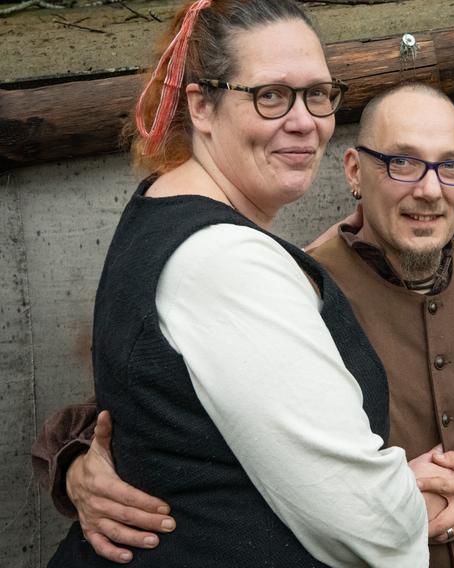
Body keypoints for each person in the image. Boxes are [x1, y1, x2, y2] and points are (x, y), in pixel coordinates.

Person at [34, 82, 454, 567]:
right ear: (355, 171)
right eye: (404, 163)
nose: (430, 190)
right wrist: (82, 464)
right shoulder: (280, 291)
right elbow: (148, 405)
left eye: (451, 168)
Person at [40, 1, 432, 566]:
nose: (304, 120)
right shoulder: (225, 262)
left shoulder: (164, 206)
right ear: (202, 105)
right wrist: (410, 506)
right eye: (270, 96)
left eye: (318, 93)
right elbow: (368, 525)